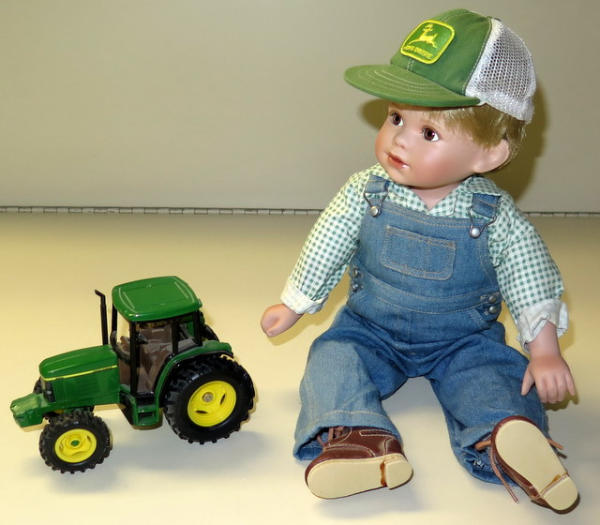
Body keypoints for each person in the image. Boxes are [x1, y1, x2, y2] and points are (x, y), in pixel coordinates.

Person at [261, 8, 578, 512]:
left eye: (428, 132)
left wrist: (544, 351)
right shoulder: (366, 191)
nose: (399, 139)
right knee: (333, 358)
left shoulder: (494, 216)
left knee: (494, 376)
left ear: (489, 154)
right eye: (395, 118)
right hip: (372, 329)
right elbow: (328, 241)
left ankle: (504, 438)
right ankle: (359, 440)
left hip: (462, 340)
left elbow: (529, 277)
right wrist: (296, 302)